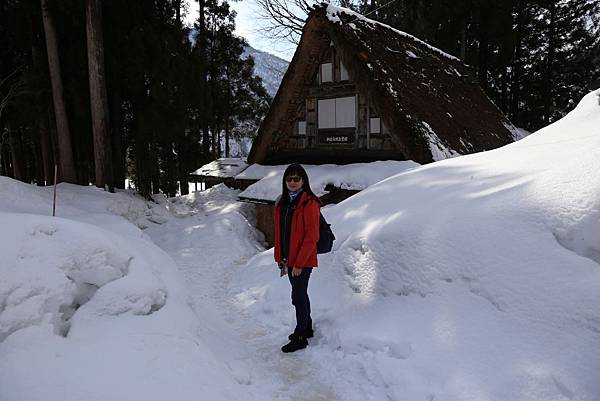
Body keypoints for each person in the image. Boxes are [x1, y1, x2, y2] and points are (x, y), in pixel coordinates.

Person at [274, 163, 321, 353]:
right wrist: (281, 257)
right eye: (289, 179)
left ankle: (301, 336)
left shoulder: (309, 203)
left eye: (297, 179)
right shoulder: (282, 203)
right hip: (289, 259)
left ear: (304, 181)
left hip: (303, 260)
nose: (292, 182)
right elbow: (280, 233)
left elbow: (312, 236)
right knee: (300, 296)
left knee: (298, 297)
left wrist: (300, 263)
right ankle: (307, 327)